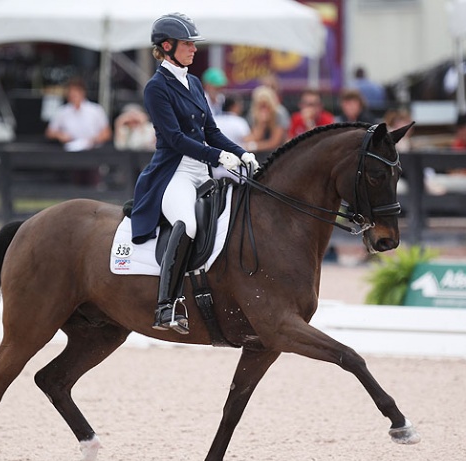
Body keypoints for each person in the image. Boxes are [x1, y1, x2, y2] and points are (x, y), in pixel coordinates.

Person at [131, 12, 258, 334]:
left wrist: (242, 153)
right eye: (188, 43)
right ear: (167, 46)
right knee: (186, 224)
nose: (194, 49)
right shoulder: (156, 87)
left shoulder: (195, 82)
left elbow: (211, 131)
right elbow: (174, 138)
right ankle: (165, 305)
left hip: (203, 169)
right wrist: (219, 157)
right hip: (175, 172)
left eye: (193, 43)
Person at [45, 77, 111, 151]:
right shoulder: (62, 111)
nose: (73, 95)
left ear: (83, 92)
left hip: (94, 151)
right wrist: (60, 135)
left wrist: (94, 140)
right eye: (71, 92)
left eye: (76, 92)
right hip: (70, 150)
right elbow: (49, 132)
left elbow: (107, 133)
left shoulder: (96, 110)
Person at [243, 85, 287, 153]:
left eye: (266, 105)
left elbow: (275, 142)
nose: (264, 109)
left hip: (277, 152)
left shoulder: (279, 113)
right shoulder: (253, 114)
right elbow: (253, 139)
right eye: (261, 105)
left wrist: (255, 146)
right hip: (259, 153)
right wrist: (261, 124)